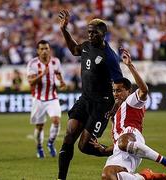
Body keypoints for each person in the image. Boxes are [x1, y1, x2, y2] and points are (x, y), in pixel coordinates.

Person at [91, 49, 166, 180]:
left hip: (132, 138)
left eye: (119, 90)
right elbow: (117, 143)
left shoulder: (131, 101)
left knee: (122, 142)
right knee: (107, 175)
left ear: (128, 90)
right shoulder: (116, 114)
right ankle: (145, 177)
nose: (115, 94)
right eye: (114, 91)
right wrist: (103, 149)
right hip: (121, 150)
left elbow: (144, 90)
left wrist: (130, 66)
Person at [58, 10, 123, 179]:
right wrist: (64, 30)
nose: (91, 35)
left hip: (101, 104)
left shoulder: (110, 57)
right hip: (85, 98)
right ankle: (61, 178)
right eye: (89, 32)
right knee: (69, 134)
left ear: (104, 33)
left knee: (84, 146)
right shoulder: (86, 46)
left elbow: (120, 85)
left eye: (95, 32)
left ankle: (119, 152)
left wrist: (115, 107)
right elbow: (74, 49)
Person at [26, 40, 66, 158]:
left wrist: (61, 81)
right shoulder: (32, 63)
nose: (44, 51)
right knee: (39, 126)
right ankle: (39, 146)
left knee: (56, 121)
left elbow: (58, 73)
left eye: (46, 48)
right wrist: (42, 74)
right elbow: (30, 82)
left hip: (52, 98)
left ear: (49, 50)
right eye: (42, 49)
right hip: (38, 99)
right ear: (38, 51)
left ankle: (50, 143)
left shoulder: (55, 61)